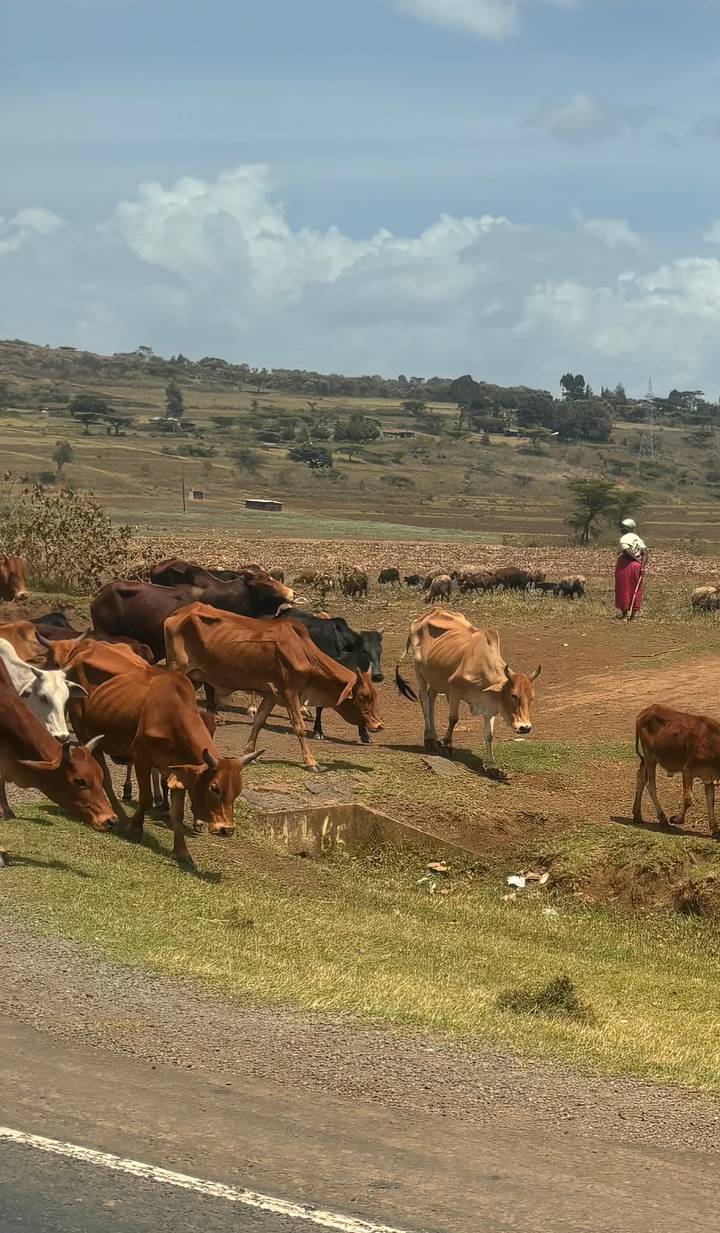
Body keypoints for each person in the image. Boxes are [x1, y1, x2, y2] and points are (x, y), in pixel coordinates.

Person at [614, 517, 647, 621]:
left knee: (624, 588)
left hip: (626, 565)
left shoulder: (624, 538)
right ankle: (633, 614)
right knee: (635, 589)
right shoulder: (638, 539)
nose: (621, 529)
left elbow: (626, 551)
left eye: (623, 527)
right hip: (637, 567)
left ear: (628, 528)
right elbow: (645, 553)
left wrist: (635, 559)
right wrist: (641, 565)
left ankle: (624, 612)